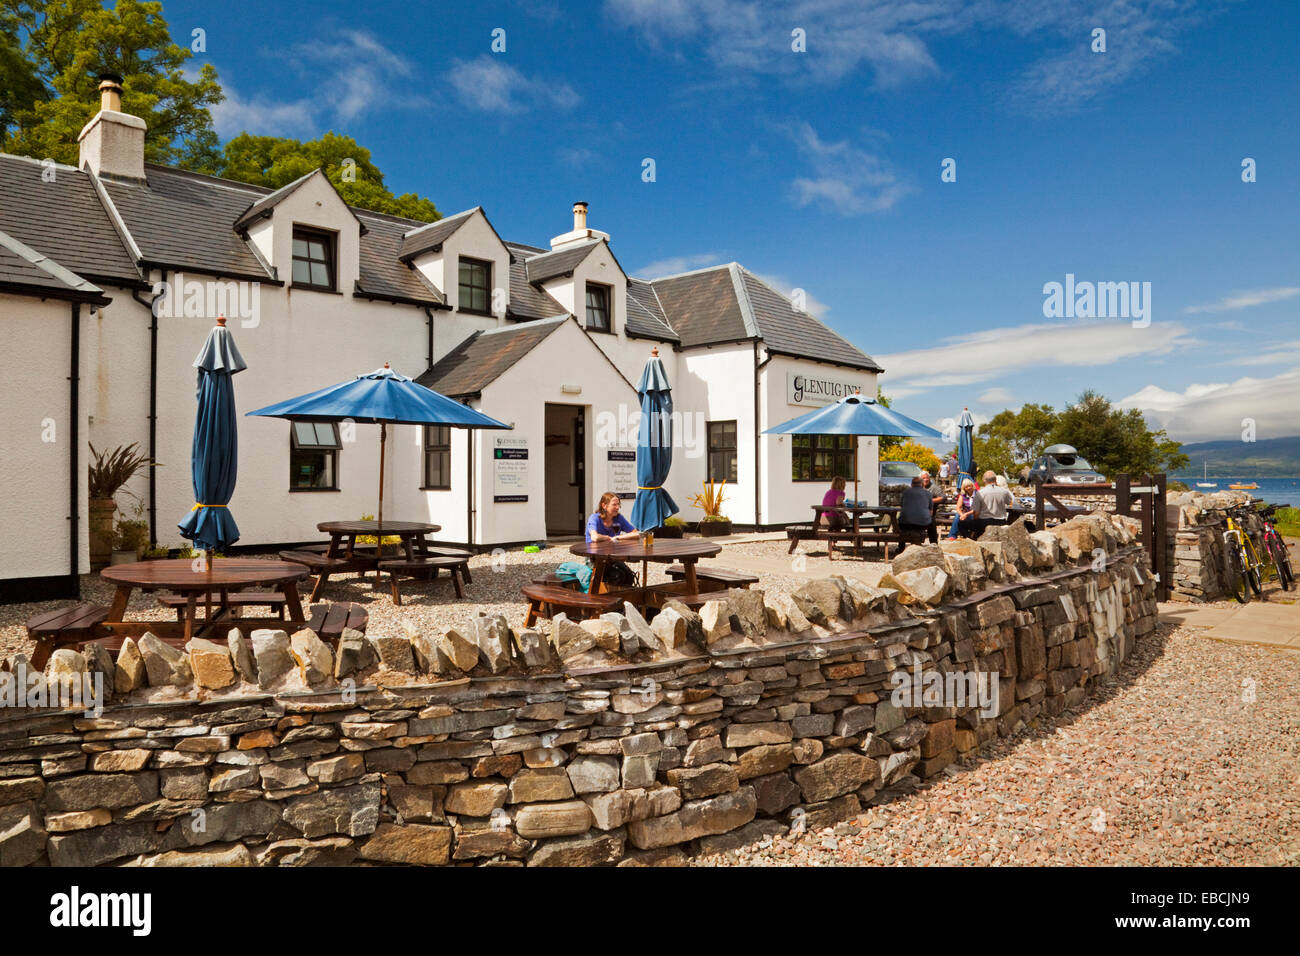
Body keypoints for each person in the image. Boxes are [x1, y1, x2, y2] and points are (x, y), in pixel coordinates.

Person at [585, 492, 638, 587]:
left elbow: (636, 534)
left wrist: (618, 537)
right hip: (595, 557)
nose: (618, 507)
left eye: (618, 504)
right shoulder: (594, 518)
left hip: (612, 556)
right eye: (614, 504)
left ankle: (624, 597)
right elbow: (595, 537)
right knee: (616, 576)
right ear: (604, 505)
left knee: (629, 576)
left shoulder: (619, 518)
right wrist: (609, 538)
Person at [975, 470, 1014, 536]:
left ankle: (972, 538)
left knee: (962, 524)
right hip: (1001, 522)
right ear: (995, 479)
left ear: (984, 480)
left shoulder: (979, 493)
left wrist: (976, 520)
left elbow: (976, 512)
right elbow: (1011, 503)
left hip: (984, 522)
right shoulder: (1004, 491)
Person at [899, 476, 933, 548]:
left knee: (901, 518)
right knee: (933, 521)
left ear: (911, 484)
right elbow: (930, 511)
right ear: (922, 484)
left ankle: (901, 547)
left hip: (905, 524)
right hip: (922, 525)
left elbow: (902, 506)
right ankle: (934, 544)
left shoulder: (905, 492)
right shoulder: (928, 493)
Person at [919, 470, 945, 544]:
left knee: (931, 522)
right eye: (924, 478)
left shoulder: (933, 487)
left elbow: (943, 497)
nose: (926, 479)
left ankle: (934, 545)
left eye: (927, 478)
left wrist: (931, 500)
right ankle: (901, 548)